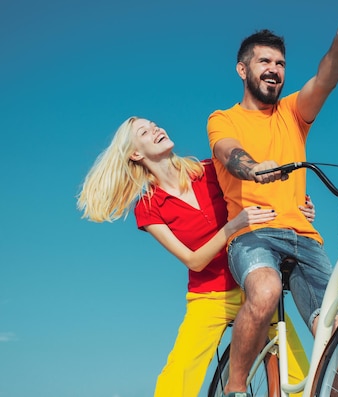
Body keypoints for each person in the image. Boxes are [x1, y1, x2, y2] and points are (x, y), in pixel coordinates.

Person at [76, 117, 312, 397]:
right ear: (135, 154)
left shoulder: (211, 170)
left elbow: (264, 196)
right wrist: (234, 225)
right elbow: (194, 261)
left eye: (155, 125)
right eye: (145, 131)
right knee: (178, 378)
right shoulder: (150, 208)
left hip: (255, 282)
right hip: (209, 297)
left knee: (300, 378)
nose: (157, 129)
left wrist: (298, 211)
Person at [207, 6, 338, 396]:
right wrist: (254, 168)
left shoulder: (293, 113)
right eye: (264, 61)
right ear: (243, 70)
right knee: (265, 292)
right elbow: (229, 152)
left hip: (304, 238)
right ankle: (236, 388)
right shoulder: (223, 118)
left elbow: (325, 79)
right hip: (254, 235)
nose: (274, 69)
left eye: (279, 62)